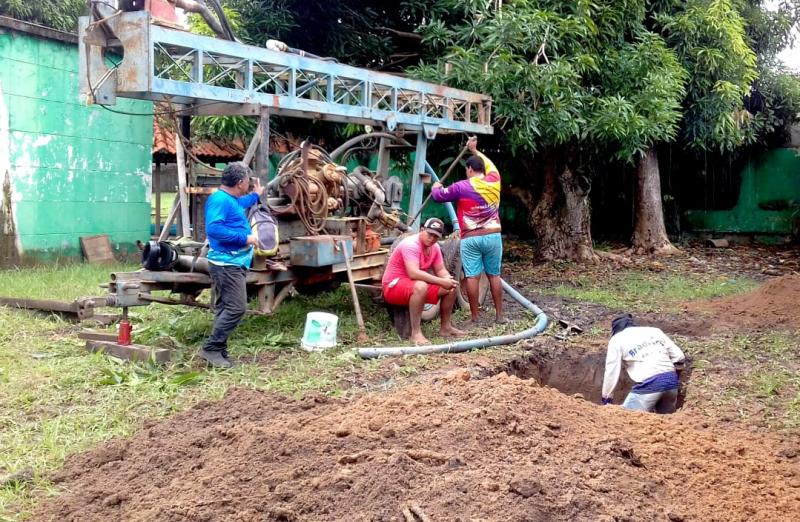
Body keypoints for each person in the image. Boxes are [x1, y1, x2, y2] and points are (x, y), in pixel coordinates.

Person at [431, 137, 505, 324]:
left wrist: (435, 187)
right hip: (493, 236)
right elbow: (490, 164)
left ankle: (475, 317)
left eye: (467, 169)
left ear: (470, 169)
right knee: (494, 275)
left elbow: (439, 196)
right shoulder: (495, 180)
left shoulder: (462, 186)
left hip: (470, 238)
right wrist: (475, 150)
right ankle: (499, 316)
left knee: (472, 276)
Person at [200, 162, 261, 368]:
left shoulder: (230, 198)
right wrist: (246, 238)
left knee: (224, 306)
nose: (249, 185)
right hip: (227, 264)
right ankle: (211, 347)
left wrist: (256, 196)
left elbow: (240, 204)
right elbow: (214, 230)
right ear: (241, 182)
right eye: (248, 182)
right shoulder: (220, 201)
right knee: (236, 308)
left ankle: (219, 350)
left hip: (232, 261)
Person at [382, 218, 466, 345]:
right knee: (420, 286)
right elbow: (413, 273)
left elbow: (441, 269)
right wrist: (440, 281)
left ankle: (446, 327)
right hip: (393, 286)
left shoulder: (435, 247)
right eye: (429, 234)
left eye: (435, 236)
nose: (432, 238)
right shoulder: (411, 244)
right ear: (422, 230)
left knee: (451, 287)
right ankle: (415, 333)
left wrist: (447, 279)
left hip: (412, 285)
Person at [601, 314, 686, 413]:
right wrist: (675, 378)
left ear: (615, 330)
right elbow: (680, 357)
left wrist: (606, 398)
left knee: (624, 419)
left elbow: (611, 372)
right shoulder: (654, 331)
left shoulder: (616, 340)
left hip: (649, 384)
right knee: (665, 422)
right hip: (671, 382)